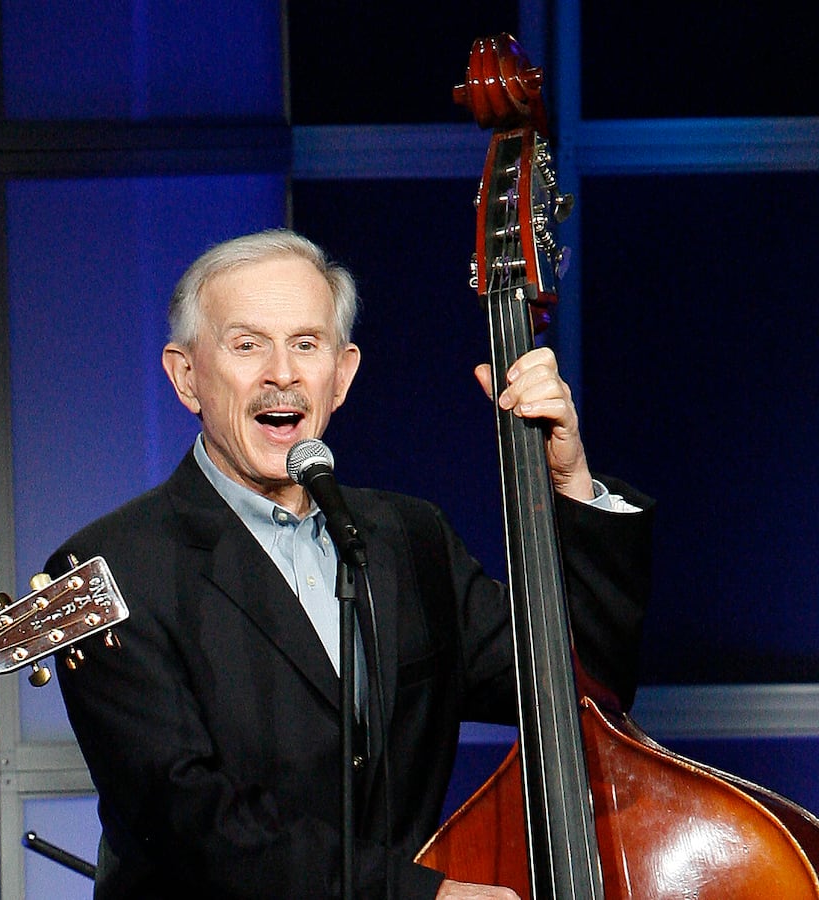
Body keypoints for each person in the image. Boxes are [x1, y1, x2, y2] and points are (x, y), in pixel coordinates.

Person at [47, 229, 651, 899]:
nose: (282, 372)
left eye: (306, 344)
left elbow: (579, 689)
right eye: (247, 345)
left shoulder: (411, 538)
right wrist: (419, 896)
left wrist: (569, 481)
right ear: (186, 377)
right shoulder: (111, 569)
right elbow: (188, 818)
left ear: (342, 375)